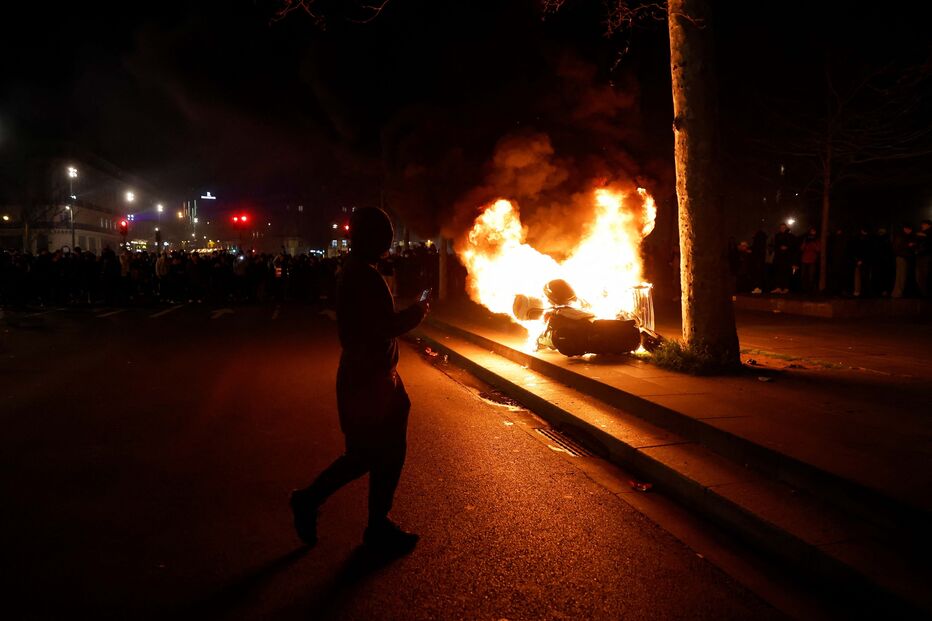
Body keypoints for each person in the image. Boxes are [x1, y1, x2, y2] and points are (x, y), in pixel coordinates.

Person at [290, 207, 429, 554]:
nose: (388, 242)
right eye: (385, 236)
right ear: (373, 238)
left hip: (375, 377)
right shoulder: (363, 276)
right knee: (369, 454)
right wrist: (418, 312)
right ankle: (316, 503)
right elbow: (384, 327)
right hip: (369, 380)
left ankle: (371, 522)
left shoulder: (359, 270)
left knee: (379, 452)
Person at [891, 223, 915, 298]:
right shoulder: (901, 236)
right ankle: (897, 294)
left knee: (902, 276)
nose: (910, 231)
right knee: (901, 276)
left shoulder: (904, 236)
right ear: (905, 229)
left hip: (904, 258)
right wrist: (908, 245)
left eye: (910, 229)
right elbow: (896, 248)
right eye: (909, 229)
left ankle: (898, 293)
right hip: (901, 258)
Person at [770, 223, 795, 294]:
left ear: (786, 228)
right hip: (779, 257)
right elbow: (775, 245)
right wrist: (779, 248)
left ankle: (786, 288)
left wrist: (787, 247)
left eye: (784, 227)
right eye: (781, 227)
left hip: (787, 257)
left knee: (786, 272)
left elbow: (792, 246)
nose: (782, 229)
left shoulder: (790, 236)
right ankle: (778, 287)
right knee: (778, 272)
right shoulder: (777, 235)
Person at [799, 227, 821, 294]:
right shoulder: (806, 239)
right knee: (803, 275)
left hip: (812, 260)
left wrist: (813, 243)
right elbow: (801, 248)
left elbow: (818, 249)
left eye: (814, 231)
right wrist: (805, 242)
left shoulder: (817, 240)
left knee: (811, 276)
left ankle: (810, 290)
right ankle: (803, 289)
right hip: (804, 260)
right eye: (811, 231)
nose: (812, 232)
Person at [915, 220, 931, 298]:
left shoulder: (929, 233)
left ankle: (925, 294)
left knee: (923, 275)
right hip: (921, 256)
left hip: (926, 257)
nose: (922, 225)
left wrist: (925, 236)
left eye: (924, 224)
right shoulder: (921, 233)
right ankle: (923, 293)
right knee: (920, 276)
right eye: (922, 224)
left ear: (929, 225)